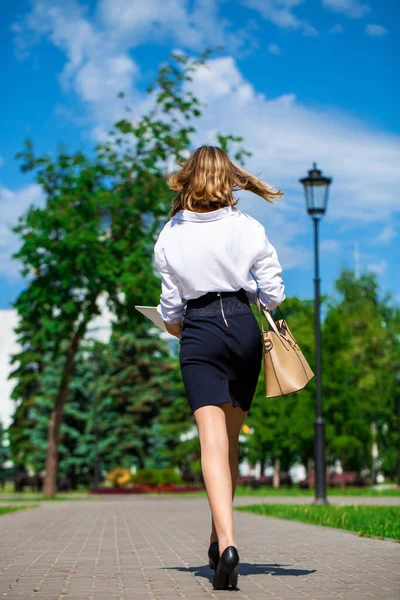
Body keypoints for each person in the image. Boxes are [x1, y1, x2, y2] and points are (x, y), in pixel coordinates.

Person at [153, 145, 285, 590]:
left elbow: (171, 306)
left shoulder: (172, 231)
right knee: (228, 445)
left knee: (211, 444)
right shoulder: (247, 226)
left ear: (188, 178)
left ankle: (228, 544)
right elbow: (273, 290)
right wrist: (260, 302)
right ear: (228, 177)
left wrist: (175, 327)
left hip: (201, 330)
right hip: (243, 330)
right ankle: (216, 541)